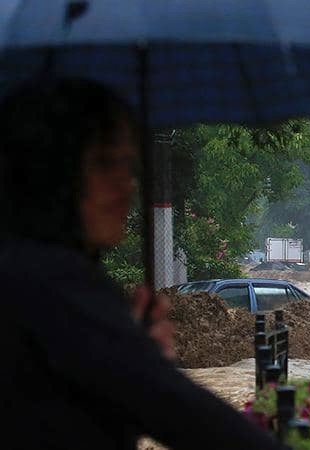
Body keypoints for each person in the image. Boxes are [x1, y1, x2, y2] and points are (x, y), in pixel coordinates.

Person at [0, 78, 286, 449]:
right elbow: (183, 414)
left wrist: (129, 348)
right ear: (49, 173)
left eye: (128, 163)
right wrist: (141, 361)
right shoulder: (55, 281)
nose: (127, 184)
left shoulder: (24, 270)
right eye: (103, 163)